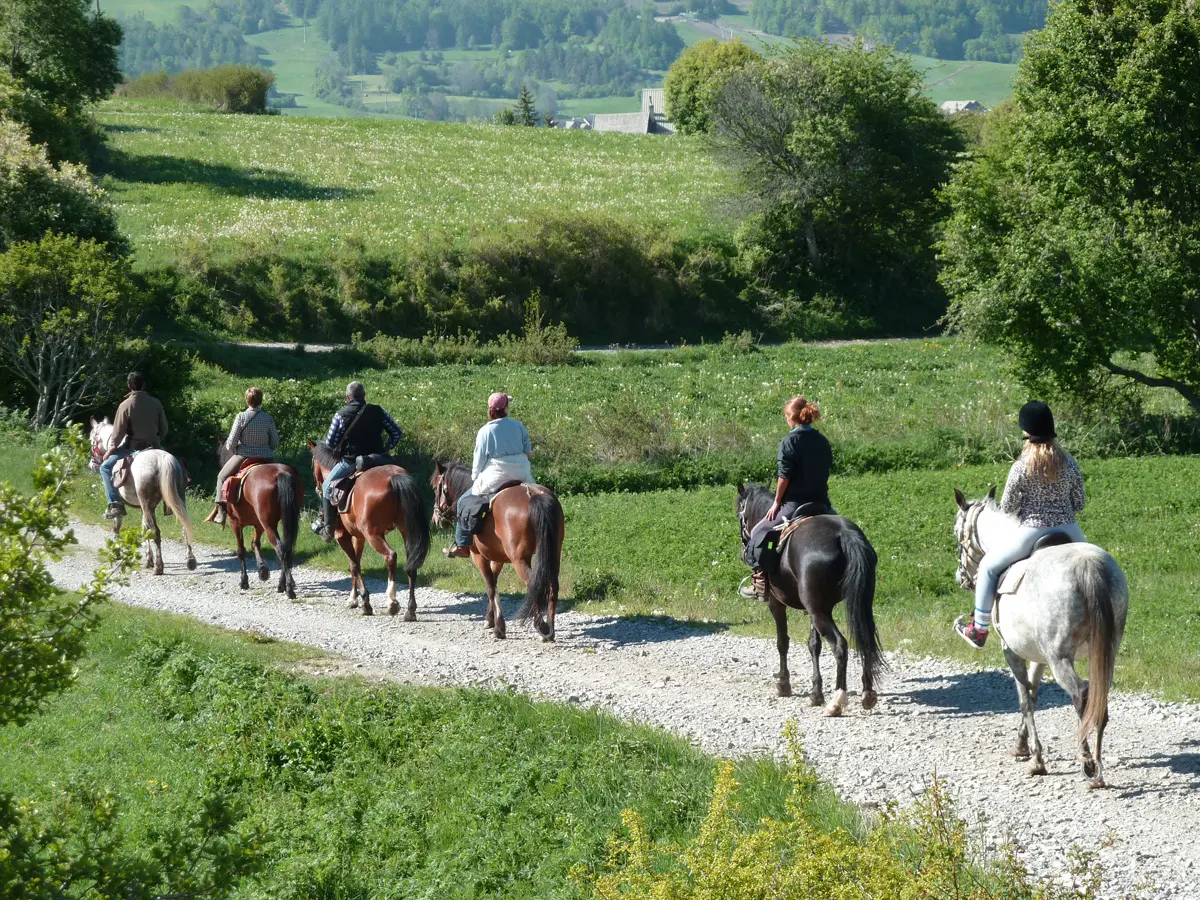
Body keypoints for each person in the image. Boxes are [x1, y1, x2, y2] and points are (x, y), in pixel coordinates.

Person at [955, 401, 1086, 649]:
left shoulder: (1020, 467)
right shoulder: (1070, 464)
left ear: (1026, 432)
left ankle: (979, 629)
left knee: (988, 567)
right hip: (1071, 530)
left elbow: (1007, 509)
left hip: (1032, 531)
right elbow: (1079, 504)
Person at [739, 395, 832, 600]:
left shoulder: (789, 441)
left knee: (759, 533)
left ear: (791, 417)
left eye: (786, 417)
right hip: (822, 503)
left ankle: (760, 583)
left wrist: (777, 502)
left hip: (794, 504)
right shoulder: (822, 440)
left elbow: (784, 477)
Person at [444, 392, 533, 558]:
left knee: (463, 501)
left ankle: (463, 545)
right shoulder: (519, 426)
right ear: (506, 408)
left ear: (490, 410)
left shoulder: (485, 431)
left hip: (495, 475)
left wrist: (475, 476)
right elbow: (528, 453)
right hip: (522, 473)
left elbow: (478, 459)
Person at [313, 381, 403, 542]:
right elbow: (396, 432)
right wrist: (388, 447)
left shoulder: (340, 414)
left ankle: (328, 529)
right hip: (379, 459)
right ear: (364, 396)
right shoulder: (378, 411)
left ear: (348, 397)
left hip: (351, 461)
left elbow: (331, 443)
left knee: (326, 487)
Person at [100, 372, 168, 520]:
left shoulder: (125, 405)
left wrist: (110, 451)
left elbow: (117, 434)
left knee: (104, 467)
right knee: (174, 466)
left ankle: (115, 504)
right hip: (154, 447)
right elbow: (164, 429)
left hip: (132, 448)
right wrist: (156, 440)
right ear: (144, 385)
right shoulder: (156, 403)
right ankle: (169, 501)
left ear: (130, 386)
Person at [208, 386, 280, 526]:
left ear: (247, 401)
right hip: (267, 458)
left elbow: (231, 442)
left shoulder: (241, 417)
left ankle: (221, 511)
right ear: (261, 400)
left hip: (244, 456)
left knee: (221, 477)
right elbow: (275, 443)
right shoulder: (268, 418)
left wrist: (236, 446)